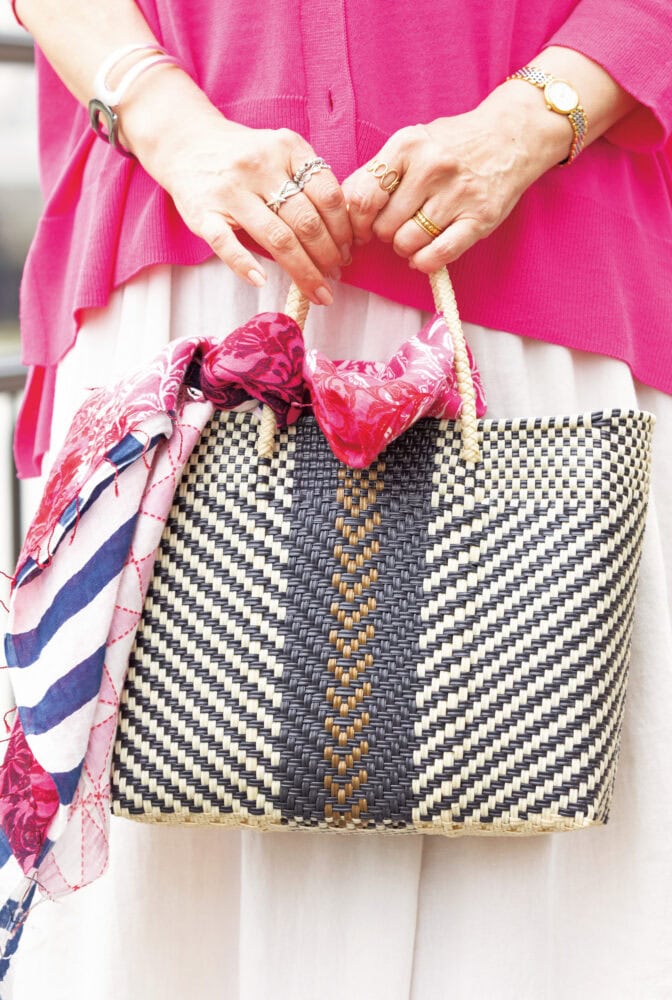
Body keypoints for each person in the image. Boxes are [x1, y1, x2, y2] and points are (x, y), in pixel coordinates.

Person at [4, 1, 672, 997]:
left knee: (542, 906)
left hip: (535, 244)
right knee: (171, 919)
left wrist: (531, 120)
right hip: (194, 237)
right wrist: (172, 125)